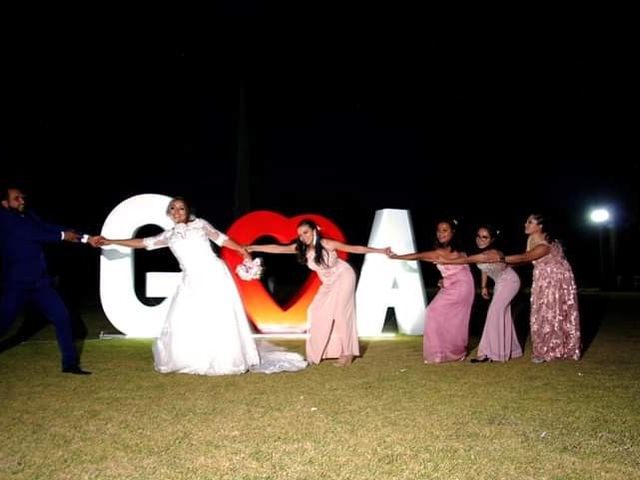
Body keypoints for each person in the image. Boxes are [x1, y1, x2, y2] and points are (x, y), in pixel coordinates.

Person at [97, 196, 306, 375]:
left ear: (188, 211)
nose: (177, 211)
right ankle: (193, 359)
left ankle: (224, 359)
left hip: (213, 274)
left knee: (217, 316)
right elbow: (142, 243)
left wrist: (242, 251)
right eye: (173, 208)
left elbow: (222, 239)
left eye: (181, 208)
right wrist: (110, 241)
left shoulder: (201, 225)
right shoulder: (168, 235)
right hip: (191, 279)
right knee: (188, 317)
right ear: (169, 214)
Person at [247, 219, 392, 366]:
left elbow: (354, 248)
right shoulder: (301, 248)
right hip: (327, 283)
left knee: (341, 313)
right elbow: (277, 248)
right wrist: (253, 247)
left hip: (344, 276)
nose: (303, 237)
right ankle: (321, 352)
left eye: (305, 232)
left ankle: (348, 353)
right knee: (315, 311)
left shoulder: (326, 244)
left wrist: (380, 251)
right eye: (300, 234)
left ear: (314, 231)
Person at [0, 186, 98, 374]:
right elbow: (34, 234)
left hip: (40, 282)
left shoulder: (28, 215)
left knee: (62, 316)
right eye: (16, 198)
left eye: (22, 197)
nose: (22, 201)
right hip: (17, 284)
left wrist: (86, 239)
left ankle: (70, 365)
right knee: (3, 323)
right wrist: (62, 236)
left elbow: (49, 227)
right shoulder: (5, 219)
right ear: (5, 203)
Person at [484, 213, 581, 363]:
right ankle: (547, 347)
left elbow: (525, 257)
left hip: (555, 280)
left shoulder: (544, 245)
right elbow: (525, 258)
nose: (525, 224)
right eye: (526, 221)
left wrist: (500, 258)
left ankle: (552, 349)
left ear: (540, 226)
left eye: (530, 222)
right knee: (541, 311)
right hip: (542, 279)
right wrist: (503, 264)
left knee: (552, 311)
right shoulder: (531, 239)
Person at [389, 219, 475, 363]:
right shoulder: (458, 250)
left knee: (433, 312)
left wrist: (396, 257)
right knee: (453, 319)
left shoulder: (442, 252)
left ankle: (440, 354)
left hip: (460, 287)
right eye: (438, 230)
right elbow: (456, 270)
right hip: (459, 285)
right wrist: (445, 280)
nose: (440, 233)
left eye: (445, 230)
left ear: (453, 232)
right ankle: (454, 352)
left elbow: (419, 256)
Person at [437, 225, 522, 363]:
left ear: (492, 239)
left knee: (494, 312)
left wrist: (446, 261)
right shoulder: (482, 253)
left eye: (485, 237)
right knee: (501, 313)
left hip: (510, 282)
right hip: (500, 283)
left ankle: (492, 352)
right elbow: (484, 268)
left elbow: (467, 260)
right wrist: (483, 286)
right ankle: (511, 349)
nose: (480, 239)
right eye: (478, 236)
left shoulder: (490, 253)